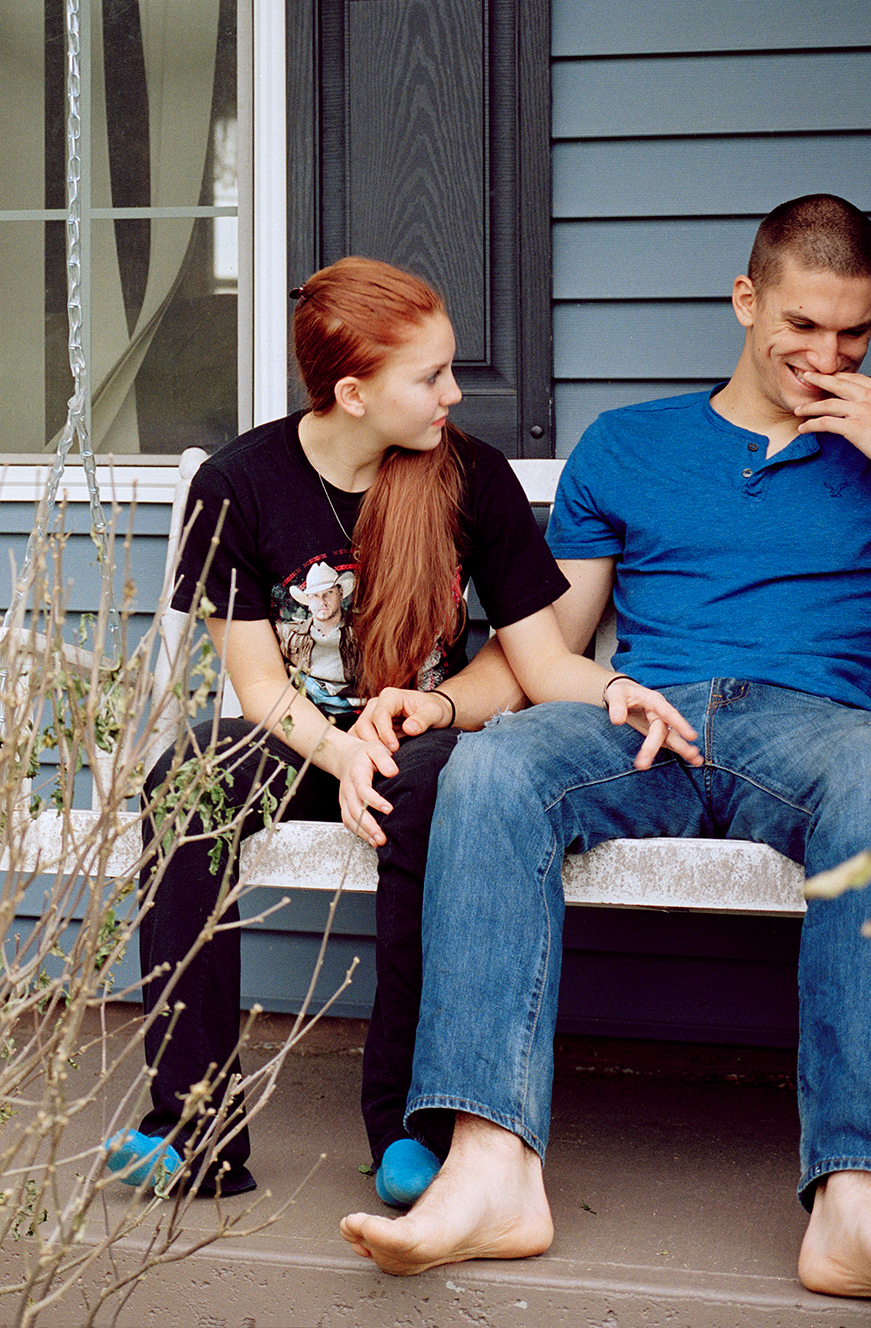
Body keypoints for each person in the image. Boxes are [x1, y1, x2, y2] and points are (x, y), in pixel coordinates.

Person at [339, 195, 871, 1314]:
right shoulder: (631, 445)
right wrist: (433, 705)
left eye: (852, 333)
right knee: (498, 767)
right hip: (645, 719)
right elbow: (539, 652)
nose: (826, 356)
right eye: (801, 325)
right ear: (744, 300)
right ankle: (488, 1169)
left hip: (819, 726)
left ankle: (862, 1202)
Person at [107, 256, 699, 1199]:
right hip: (302, 738)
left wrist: (613, 687)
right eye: (430, 376)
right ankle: (194, 1126)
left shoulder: (469, 477)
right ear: (352, 391)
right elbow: (260, 688)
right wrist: (342, 750)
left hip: (423, 738)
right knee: (186, 782)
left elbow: (536, 663)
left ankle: (407, 1126)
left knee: (429, 789)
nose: (454, 393)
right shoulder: (240, 485)